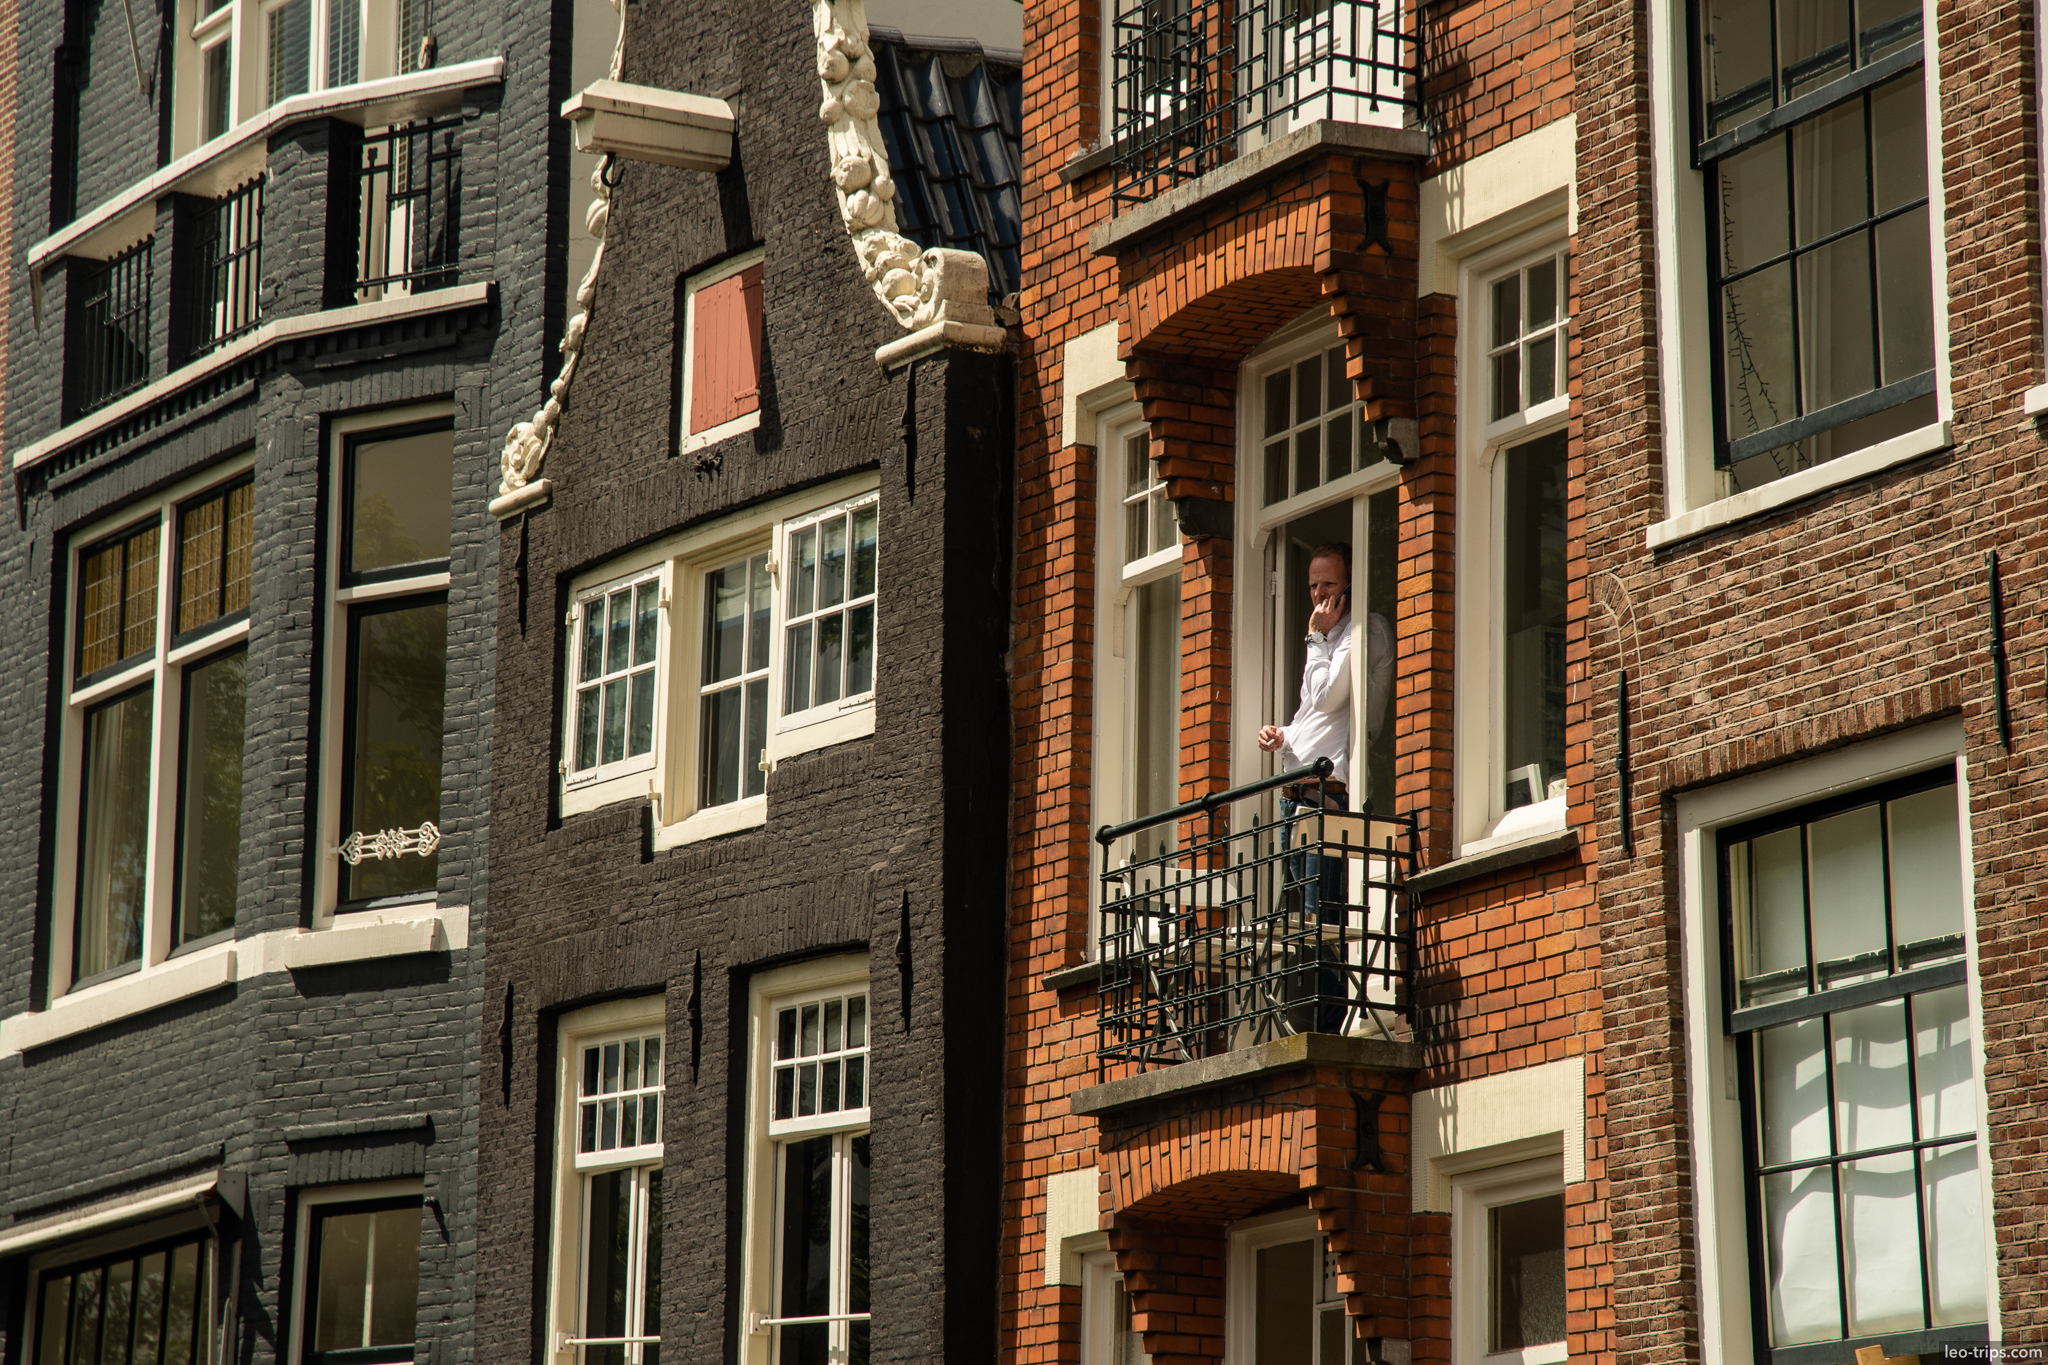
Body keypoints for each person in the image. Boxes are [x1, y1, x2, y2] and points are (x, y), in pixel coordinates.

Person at [1256, 541, 1393, 1030]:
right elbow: (1312, 715)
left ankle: (1332, 1023)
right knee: (1300, 918)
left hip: (1327, 800)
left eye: (1328, 585)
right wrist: (1284, 734)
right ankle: (1311, 1015)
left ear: (1349, 584)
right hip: (1295, 799)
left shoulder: (1363, 632)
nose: (1318, 596)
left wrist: (1315, 640)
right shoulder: (1328, 639)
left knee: (1323, 920)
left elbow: (1330, 695)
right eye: (1313, 585)